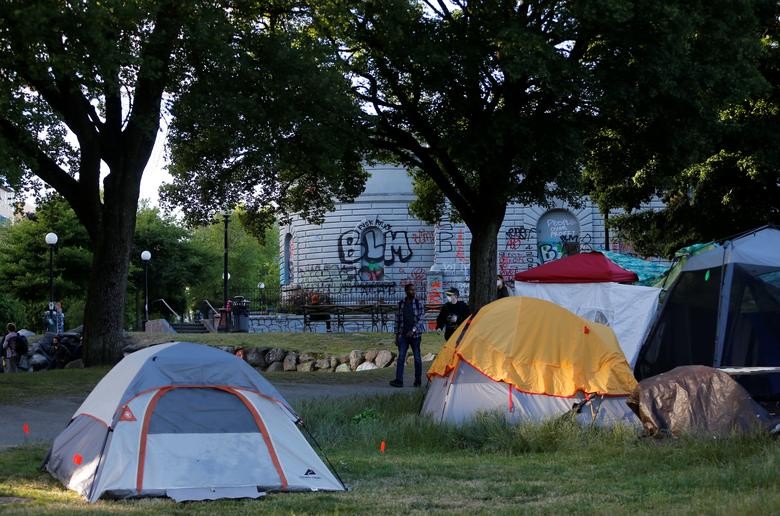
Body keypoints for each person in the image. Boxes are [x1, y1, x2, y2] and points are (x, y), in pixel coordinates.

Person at [390, 283, 425, 388]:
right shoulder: (401, 304)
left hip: (415, 336)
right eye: (411, 290)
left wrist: (413, 330)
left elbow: (421, 320)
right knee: (401, 357)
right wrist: (396, 336)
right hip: (403, 335)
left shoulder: (419, 304)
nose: (413, 292)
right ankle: (399, 380)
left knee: (417, 358)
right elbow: (397, 320)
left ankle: (417, 380)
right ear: (406, 291)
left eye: (414, 290)